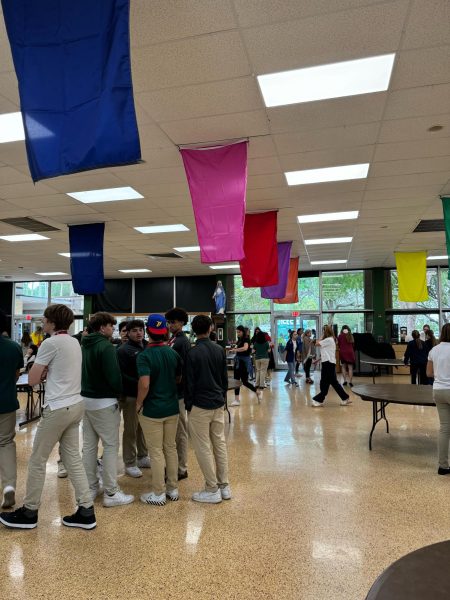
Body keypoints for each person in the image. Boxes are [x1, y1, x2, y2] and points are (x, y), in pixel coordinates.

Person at [0, 304, 96, 530]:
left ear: (53, 322)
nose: (42, 323)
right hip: (75, 404)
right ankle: (86, 510)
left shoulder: (50, 343)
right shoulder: (74, 341)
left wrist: (41, 372)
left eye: (44, 320)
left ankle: (29, 511)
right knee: (72, 459)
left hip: (58, 407)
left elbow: (32, 380)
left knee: (37, 459)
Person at [81, 312, 134, 507]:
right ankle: (111, 492)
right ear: (102, 327)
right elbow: (114, 377)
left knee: (89, 446)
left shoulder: (84, 344)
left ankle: (90, 486)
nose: (114, 330)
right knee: (110, 446)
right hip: (104, 402)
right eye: (111, 326)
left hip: (86, 400)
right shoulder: (105, 347)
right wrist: (120, 391)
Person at [136, 314, 181, 506]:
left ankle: (158, 492)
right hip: (172, 408)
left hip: (152, 410)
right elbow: (179, 379)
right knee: (170, 448)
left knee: (155, 452)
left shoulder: (144, 356)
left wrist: (138, 403)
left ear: (148, 331)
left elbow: (144, 384)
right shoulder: (173, 353)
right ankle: (173, 489)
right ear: (164, 331)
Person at [185, 315, 230, 503]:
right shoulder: (219, 350)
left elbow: (189, 383)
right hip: (218, 403)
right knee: (219, 444)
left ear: (194, 331)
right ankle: (224, 486)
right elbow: (224, 378)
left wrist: (189, 406)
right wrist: (222, 399)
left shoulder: (192, 353)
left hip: (199, 405)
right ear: (211, 328)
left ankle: (211, 489)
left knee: (202, 447)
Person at [117, 319, 150, 478]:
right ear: (128, 333)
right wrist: (140, 383)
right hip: (130, 395)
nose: (139, 333)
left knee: (142, 427)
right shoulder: (123, 350)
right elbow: (121, 375)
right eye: (135, 330)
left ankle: (142, 456)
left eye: (141, 330)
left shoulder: (147, 346)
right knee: (130, 429)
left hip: (146, 395)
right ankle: (129, 462)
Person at [0, 310, 23, 510]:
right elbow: (16, 375)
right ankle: (8, 486)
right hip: (6, 402)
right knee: (5, 443)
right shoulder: (14, 348)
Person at [165, 307, 191, 481]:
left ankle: (182, 468)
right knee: (174, 432)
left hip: (179, 393)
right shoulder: (173, 339)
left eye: (173, 322)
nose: (170, 325)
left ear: (182, 322)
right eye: (169, 322)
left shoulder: (182, 341)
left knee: (180, 431)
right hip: (172, 393)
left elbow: (181, 368)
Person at [427, 323, 450, 475]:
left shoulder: (434, 350)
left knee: (445, 428)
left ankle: (443, 466)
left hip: (439, 391)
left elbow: (429, 373)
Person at [312, 326, 350, 407]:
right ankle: (345, 397)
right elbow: (326, 353)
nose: (322, 333)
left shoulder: (328, 339)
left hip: (328, 364)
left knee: (325, 382)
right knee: (332, 382)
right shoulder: (330, 339)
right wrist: (317, 360)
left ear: (326, 332)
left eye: (323, 331)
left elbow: (316, 343)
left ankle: (319, 400)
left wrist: (322, 336)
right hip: (328, 363)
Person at [231, 325, 257, 406]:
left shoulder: (246, 339)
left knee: (245, 382)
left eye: (238, 332)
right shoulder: (240, 339)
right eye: (237, 332)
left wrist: (236, 350)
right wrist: (235, 347)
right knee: (236, 380)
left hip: (243, 363)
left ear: (242, 332)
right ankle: (236, 400)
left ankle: (257, 392)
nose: (237, 333)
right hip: (238, 362)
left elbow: (245, 348)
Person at [253, 330, 269, 401]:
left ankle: (256, 384)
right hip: (265, 358)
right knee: (263, 371)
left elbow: (253, 351)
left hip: (257, 358)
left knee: (258, 371)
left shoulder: (256, 343)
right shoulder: (266, 343)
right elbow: (269, 351)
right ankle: (262, 385)